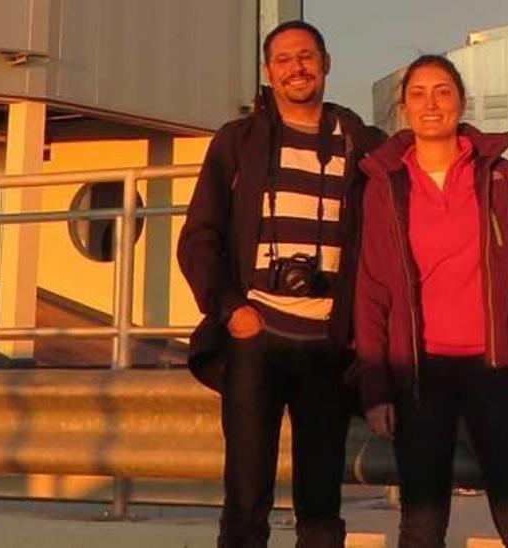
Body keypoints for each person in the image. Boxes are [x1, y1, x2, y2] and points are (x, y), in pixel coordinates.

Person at [177, 20, 384, 548]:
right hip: (256, 339)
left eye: (308, 56)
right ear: (269, 73)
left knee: (321, 503)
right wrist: (230, 310)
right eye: (285, 59)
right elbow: (198, 238)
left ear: (327, 63)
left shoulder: (363, 145)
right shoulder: (238, 143)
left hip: (327, 346)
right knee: (246, 498)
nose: (298, 67)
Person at [352, 54, 508, 548]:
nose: (431, 103)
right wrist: (376, 390)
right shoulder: (384, 185)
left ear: (461, 102)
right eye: (418, 93)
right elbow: (372, 291)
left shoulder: (500, 179)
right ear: (403, 108)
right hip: (420, 374)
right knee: (422, 521)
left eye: (443, 91)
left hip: (496, 369)